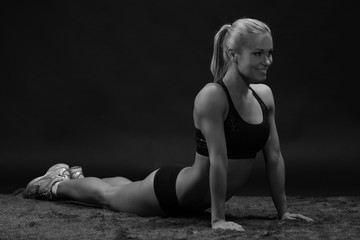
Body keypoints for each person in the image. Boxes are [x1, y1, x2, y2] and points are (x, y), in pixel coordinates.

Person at [23, 17, 313, 231]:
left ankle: (72, 176)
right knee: (108, 196)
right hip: (175, 194)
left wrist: (283, 212)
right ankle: (55, 185)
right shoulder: (213, 97)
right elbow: (219, 161)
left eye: (270, 52)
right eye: (258, 53)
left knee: (129, 187)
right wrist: (218, 219)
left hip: (195, 197)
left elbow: (274, 157)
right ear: (233, 55)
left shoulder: (264, 96)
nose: (268, 61)